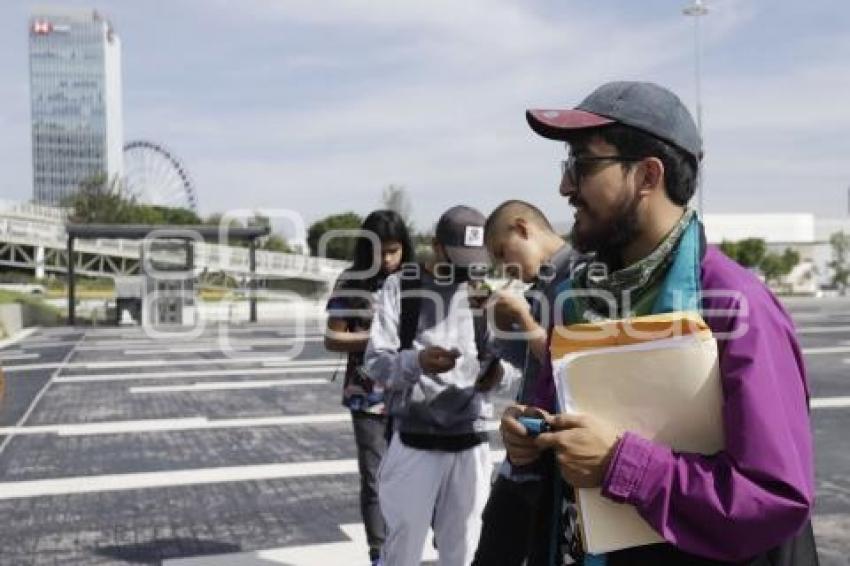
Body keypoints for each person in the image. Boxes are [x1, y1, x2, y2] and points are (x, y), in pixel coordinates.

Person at [499, 81, 818, 564]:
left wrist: (619, 464)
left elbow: (773, 498)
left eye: (581, 165)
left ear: (648, 175)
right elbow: (566, 446)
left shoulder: (735, 306)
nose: (565, 188)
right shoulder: (574, 300)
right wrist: (532, 442)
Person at [364, 205, 512, 566]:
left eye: (473, 259)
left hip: (471, 441)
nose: (465, 269)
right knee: (402, 548)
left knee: (464, 549)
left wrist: (498, 375)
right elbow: (375, 362)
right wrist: (417, 361)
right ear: (436, 245)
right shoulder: (403, 286)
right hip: (415, 440)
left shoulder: (482, 291)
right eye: (458, 257)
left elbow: (512, 363)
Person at [472, 200, 578, 566]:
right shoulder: (544, 282)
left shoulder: (580, 274)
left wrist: (527, 323)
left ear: (522, 228)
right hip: (527, 450)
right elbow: (530, 364)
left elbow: (573, 368)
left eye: (503, 253)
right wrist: (502, 323)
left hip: (554, 456)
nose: (505, 268)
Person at [324, 209, 415, 566]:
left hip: (411, 393)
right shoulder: (351, 281)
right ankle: (379, 553)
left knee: (412, 474)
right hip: (367, 396)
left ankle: (407, 545)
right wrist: (377, 341)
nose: (388, 259)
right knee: (375, 478)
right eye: (381, 251)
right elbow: (333, 337)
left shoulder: (416, 280)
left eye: (395, 251)